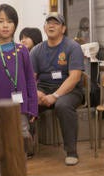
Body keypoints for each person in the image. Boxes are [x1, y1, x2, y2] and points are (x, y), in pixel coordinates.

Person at [0, 4, 38, 176]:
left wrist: (33, 107)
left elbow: (30, 81)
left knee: (19, 147)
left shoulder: (22, 50)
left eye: (10, 21)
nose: (5, 25)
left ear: (15, 25)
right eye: (0, 21)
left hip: (20, 109)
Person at [30, 13, 86, 166]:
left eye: (56, 23)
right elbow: (30, 78)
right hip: (43, 88)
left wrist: (54, 96)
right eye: (48, 23)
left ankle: (71, 151)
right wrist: (36, 92)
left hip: (70, 90)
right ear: (44, 28)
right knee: (25, 103)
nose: (51, 26)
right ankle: (26, 147)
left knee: (63, 105)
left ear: (63, 28)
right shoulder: (36, 50)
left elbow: (74, 77)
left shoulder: (72, 47)